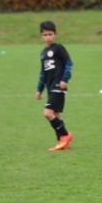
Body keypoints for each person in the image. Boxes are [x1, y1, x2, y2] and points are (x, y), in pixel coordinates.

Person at [35, 20, 74, 151]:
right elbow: (43, 72)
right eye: (45, 35)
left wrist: (65, 79)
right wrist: (39, 89)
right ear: (41, 36)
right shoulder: (43, 53)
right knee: (56, 115)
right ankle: (62, 143)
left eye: (50, 34)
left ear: (55, 34)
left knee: (47, 113)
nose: (48, 37)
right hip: (50, 86)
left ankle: (65, 135)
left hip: (58, 85)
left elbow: (69, 63)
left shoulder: (59, 48)